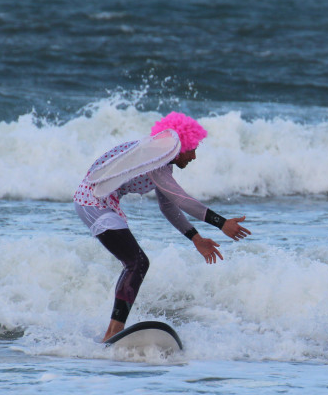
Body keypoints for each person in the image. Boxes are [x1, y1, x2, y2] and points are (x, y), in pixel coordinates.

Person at [74, 112, 251, 342]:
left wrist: (196, 238)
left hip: (102, 203)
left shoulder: (159, 162)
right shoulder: (156, 160)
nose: (195, 156)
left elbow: (168, 206)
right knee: (137, 262)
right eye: (192, 149)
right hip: (93, 202)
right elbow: (182, 200)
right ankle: (113, 333)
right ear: (180, 147)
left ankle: (112, 332)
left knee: (134, 263)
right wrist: (221, 223)